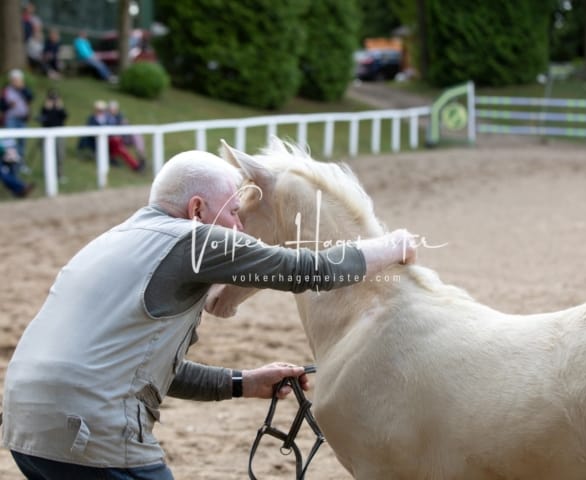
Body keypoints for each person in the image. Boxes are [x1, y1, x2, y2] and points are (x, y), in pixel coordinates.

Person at [2, 149, 417, 479]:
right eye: (234, 211)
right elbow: (307, 269)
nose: (238, 225)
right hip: (91, 432)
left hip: (27, 429)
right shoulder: (194, 240)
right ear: (198, 209)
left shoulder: (113, 240)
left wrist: (243, 383)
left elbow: (140, 367)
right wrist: (390, 245)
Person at [77, 100, 143, 171]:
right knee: (119, 145)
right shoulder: (92, 119)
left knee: (119, 143)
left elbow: (114, 127)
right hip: (97, 142)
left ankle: (133, 164)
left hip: (110, 141)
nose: (100, 111)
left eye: (102, 110)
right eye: (99, 110)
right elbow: (91, 132)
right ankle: (134, 165)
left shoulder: (107, 118)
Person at [0, 69, 33, 164]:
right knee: (11, 142)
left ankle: (21, 164)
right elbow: (1, 105)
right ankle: (10, 163)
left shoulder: (24, 89)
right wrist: (9, 105)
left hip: (22, 119)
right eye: (15, 79)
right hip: (10, 119)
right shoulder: (6, 91)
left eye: (18, 79)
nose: (16, 81)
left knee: (22, 142)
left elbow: (30, 97)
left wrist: (23, 89)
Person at [38, 88, 68, 180]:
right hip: (46, 134)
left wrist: (60, 107)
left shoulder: (60, 109)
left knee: (60, 154)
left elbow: (65, 116)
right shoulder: (45, 108)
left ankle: (59, 174)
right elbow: (42, 119)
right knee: (47, 155)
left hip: (59, 133)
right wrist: (47, 108)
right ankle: (48, 174)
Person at [107, 99, 146, 167]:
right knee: (120, 144)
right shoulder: (107, 118)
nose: (114, 111)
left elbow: (126, 126)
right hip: (114, 139)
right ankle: (136, 164)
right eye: (112, 109)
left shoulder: (120, 116)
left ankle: (141, 155)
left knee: (136, 135)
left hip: (123, 137)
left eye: (115, 109)